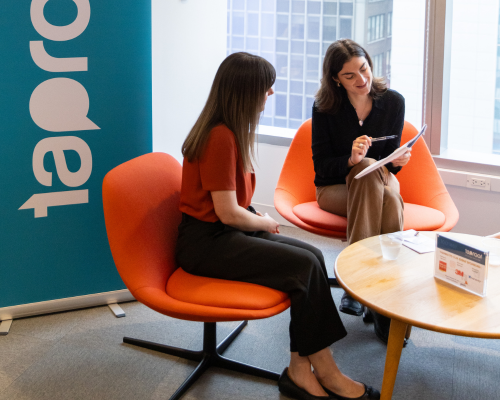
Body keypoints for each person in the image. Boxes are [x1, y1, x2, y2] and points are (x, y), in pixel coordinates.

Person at [175, 52, 380, 400]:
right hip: (207, 242)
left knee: (314, 256)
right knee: (302, 266)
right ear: (246, 91)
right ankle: (325, 370)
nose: (270, 95)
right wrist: (266, 222)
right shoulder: (219, 137)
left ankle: (301, 369)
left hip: (225, 233)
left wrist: (256, 222)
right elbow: (228, 213)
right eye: (266, 89)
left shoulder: (229, 132)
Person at [312, 39, 411, 344]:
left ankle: (356, 283)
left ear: (370, 62)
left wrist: (399, 160)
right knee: (380, 187)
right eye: (350, 76)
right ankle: (386, 305)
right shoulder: (325, 108)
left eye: (364, 69)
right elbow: (322, 168)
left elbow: (390, 165)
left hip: (380, 182)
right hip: (335, 189)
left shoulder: (393, 101)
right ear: (335, 80)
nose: (362, 79)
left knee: (382, 186)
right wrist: (352, 161)